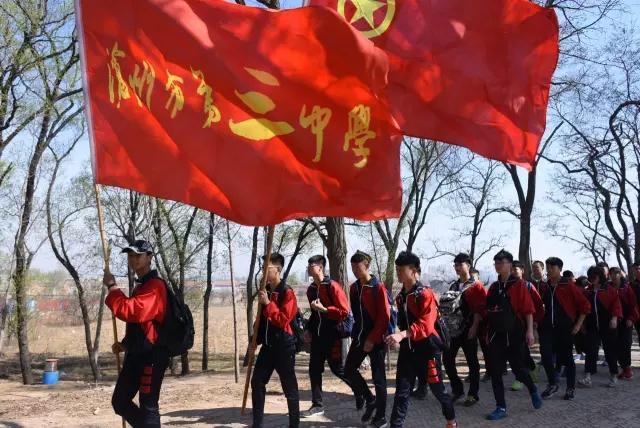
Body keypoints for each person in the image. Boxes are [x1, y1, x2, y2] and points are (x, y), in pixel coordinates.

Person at [386, 251, 457, 428]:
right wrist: (396, 336)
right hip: (408, 352)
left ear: (413, 270)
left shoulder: (425, 294)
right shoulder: (400, 297)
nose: (398, 272)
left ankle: (451, 420)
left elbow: (426, 325)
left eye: (401, 269)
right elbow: (402, 324)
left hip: (428, 351)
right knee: (402, 393)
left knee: (438, 391)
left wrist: (402, 334)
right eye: (397, 269)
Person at [103, 240, 169, 428]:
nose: (133, 259)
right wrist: (126, 343)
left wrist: (112, 287)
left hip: (152, 356)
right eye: (130, 256)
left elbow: (132, 311)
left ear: (149, 257)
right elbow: (140, 323)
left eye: (138, 255)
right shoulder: (141, 286)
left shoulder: (155, 287)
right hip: (137, 354)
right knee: (120, 401)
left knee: (148, 405)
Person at [485, 250, 542, 421]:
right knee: (495, 371)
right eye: (496, 262)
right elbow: (489, 311)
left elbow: (528, 310)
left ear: (510, 264)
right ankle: (501, 407)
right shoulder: (494, 287)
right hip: (496, 334)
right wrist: (487, 332)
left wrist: (530, 331)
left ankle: (532, 389)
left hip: (515, 333)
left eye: (501, 262)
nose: (498, 265)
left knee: (518, 368)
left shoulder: (519, 285)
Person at [250, 253, 300, 428]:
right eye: (262, 267)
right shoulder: (265, 291)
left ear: (278, 269)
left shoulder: (287, 292)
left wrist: (268, 303)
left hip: (284, 346)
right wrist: (254, 340)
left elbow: (283, 320)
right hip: (268, 346)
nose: (263, 271)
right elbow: (261, 321)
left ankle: (294, 424)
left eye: (267, 267)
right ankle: (257, 424)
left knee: (289, 388)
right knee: (257, 382)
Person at [302, 255, 354, 417]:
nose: (309, 267)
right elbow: (314, 315)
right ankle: (317, 405)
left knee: (337, 369)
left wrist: (325, 310)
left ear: (320, 267)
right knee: (314, 369)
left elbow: (344, 311)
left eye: (312, 265)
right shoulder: (311, 289)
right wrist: (308, 329)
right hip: (318, 337)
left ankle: (362, 393)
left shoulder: (332, 286)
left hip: (333, 336)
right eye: (308, 265)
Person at [344, 251, 390, 428]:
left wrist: (372, 339)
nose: (355, 271)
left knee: (378, 379)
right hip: (360, 337)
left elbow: (384, 318)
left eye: (358, 267)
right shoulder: (354, 288)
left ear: (367, 265)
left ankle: (381, 416)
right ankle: (370, 399)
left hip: (377, 340)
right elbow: (357, 315)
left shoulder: (378, 288)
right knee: (348, 370)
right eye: (352, 267)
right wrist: (358, 336)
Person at [537, 257, 590, 401]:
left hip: (564, 328)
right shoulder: (545, 286)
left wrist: (578, 325)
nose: (549, 270)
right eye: (548, 267)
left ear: (560, 269)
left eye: (552, 267)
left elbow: (585, 306)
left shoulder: (568, 285)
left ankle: (570, 388)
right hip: (547, 328)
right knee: (546, 356)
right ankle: (553, 384)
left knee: (567, 359)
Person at [441, 253, 486, 406]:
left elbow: (479, 309)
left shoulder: (476, 286)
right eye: (455, 265)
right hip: (453, 330)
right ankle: (457, 389)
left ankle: (473, 394)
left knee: (472, 362)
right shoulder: (454, 286)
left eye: (460, 265)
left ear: (468, 265)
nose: (457, 268)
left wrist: (474, 327)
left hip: (469, 329)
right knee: (447, 360)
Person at [578, 266, 622, 389]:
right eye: (590, 277)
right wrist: (582, 325)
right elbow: (583, 309)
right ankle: (588, 377)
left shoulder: (609, 290)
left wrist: (614, 318)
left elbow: (616, 305)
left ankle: (614, 376)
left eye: (594, 276)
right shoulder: (588, 292)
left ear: (600, 277)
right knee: (590, 351)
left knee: (610, 351)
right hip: (592, 327)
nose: (592, 279)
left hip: (608, 326)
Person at [510, 261, 543, 391]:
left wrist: (534, 323)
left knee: (519, 352)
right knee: (521, 351)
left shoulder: (529, 286)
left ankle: (520, 378)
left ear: (522, 271)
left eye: (516, 269)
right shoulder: (506, 285)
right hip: (511, 324)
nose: (513, 271)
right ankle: (533, 368)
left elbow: (539, 306)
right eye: (511, 269)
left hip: (525, 324)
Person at [610, 267, 639, 380]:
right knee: (615, 345)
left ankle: (627, 368)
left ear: (620, 274)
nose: (613, 276)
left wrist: (631, 318)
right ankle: (623, 368)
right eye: (611, 274)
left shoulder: (627, 288)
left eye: (615, 273)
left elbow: (634, 305)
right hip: (614, 321)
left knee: (625, 344)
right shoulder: (608, 287)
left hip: (626, 320)